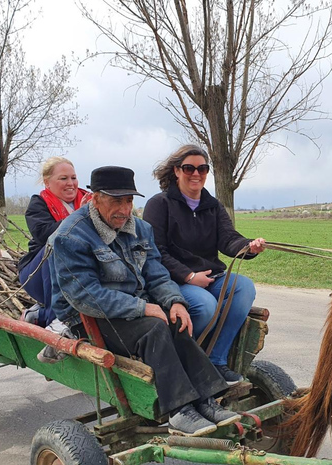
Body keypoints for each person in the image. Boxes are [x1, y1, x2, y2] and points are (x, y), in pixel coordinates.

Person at [48, 165, 241, 436]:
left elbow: (156, 273)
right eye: (116, 201)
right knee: (155, 328)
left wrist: (174, 301)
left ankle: (206, 399)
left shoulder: (139, 229)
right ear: (94, 198)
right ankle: (179, 409)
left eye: (128, 201)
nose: (125, 210)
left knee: (176, 320)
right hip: (88, 317)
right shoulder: (71, 236)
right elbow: (85, 296)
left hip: (130, 308)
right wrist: (143, 307)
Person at [142, 145, 265, 385]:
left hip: (210, 277)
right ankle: (188, 364)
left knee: (244, 288)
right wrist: (188, 276)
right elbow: (156, 251)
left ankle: (216, 361)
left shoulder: (213, 205)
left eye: (202, 168)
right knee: (206, 306)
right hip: (174, 281)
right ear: (177, 171)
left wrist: (249, 247)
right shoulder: (159, 204)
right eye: (189, 168)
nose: (195, 173)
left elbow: (228, 239)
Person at [17, 157, 88, 335]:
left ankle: (37, 315)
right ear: (47, 182)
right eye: (63, 178)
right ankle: (53, 319)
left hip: (78, 271)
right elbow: (44, 234)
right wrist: (82, 215)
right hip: (38, 274)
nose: (70, 183)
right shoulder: (38, 204)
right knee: (56, 247)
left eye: (73, 177)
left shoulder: (90, 200)